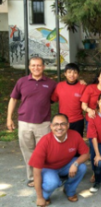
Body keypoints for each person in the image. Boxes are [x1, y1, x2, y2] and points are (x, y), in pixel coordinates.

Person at [7, 56, 56, 187]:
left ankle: (43, 176)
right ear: (29, 67)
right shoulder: (22, 81)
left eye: (39, 65)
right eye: (33, 65)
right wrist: (9, 118)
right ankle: (31, 177)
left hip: (43, 123)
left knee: (43, 152)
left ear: (43, 67)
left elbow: (62, 92)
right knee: (28, 151)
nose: (36, 68)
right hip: (24, 122)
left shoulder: (51, 83)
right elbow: (13, 99)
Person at [28, 113, 89, 206]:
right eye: (56, 124)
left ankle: (69, 190)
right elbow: (36, 172)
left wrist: (75, 164)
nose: (59, 127)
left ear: (68, 125)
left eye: (63, 124)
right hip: (48, 168)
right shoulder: (44, 142)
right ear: (51, 126)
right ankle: (45, 195)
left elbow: (86, 153)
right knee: (53, 182)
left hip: (66, 164)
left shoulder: (75, 135)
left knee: (82, 167)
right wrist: (40, 197)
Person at [51, 63, 86, 137]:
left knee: (76, 144)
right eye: (69, 72)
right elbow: (53, 99)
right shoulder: (60, 85)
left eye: (75, 72)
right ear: (65, 74)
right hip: (62, 121)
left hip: (77, 120)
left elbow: (86, 102)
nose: (72, 75)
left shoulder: (83, 86)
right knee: (62, 143)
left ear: (78, 74)